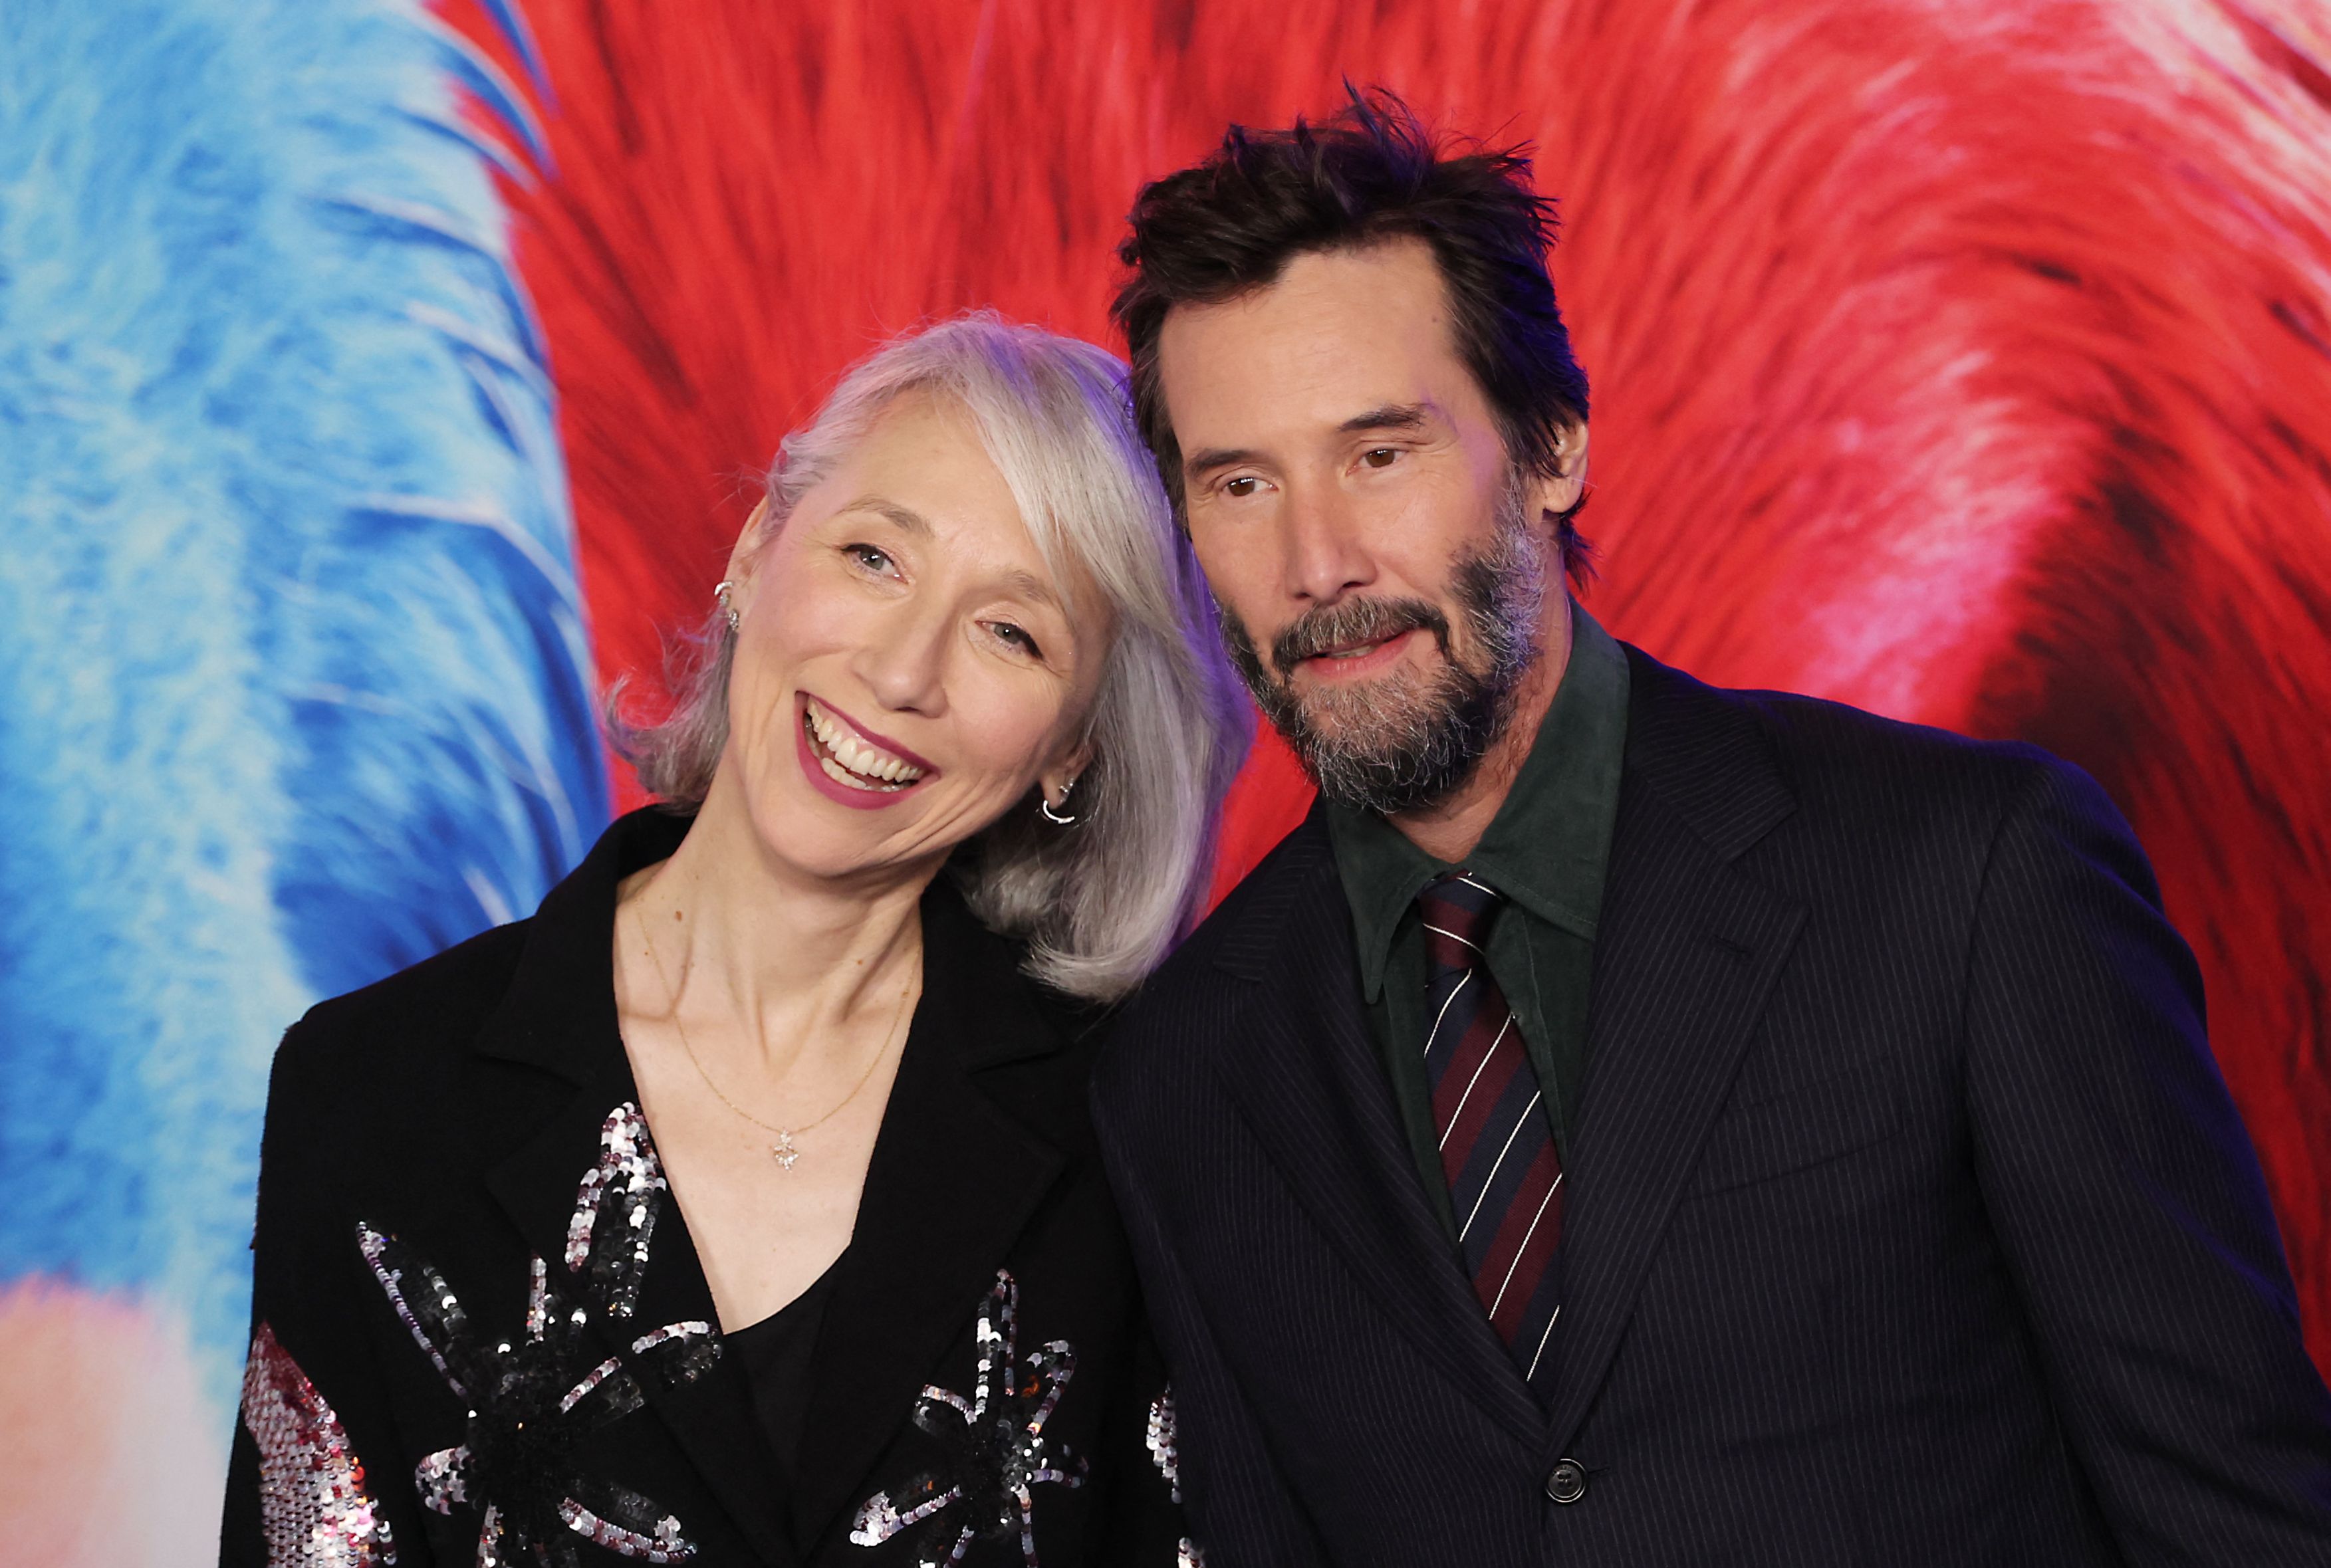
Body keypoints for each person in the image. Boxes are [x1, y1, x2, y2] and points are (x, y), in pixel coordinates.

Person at [1089, 92, 2331, 1565]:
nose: (1315, 562)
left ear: (1550, 449)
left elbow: (2236, 1515)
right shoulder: (1183, 1072)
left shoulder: (1970, 874)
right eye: (1240, 484)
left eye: (1379, 455)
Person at [221, 314, 1249, 1568]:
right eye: (874, 557)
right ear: (759, 549)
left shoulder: (1139, 1134)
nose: (901, 672)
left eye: (1010, 632)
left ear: (1072, 747)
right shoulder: (369, 1086)